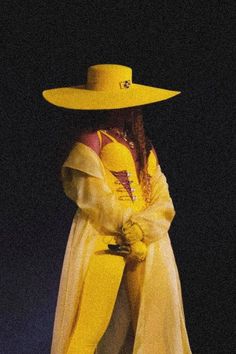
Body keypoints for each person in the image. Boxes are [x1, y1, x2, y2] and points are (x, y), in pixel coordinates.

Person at [42, 64, 192, 354]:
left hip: (146, 243)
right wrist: (127, 226)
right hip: (105, 239)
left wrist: (143, 229)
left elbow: (162, 196)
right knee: (89, 326)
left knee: (152, 322)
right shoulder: (92, 140)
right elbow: (89, 193)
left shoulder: (142, 145)